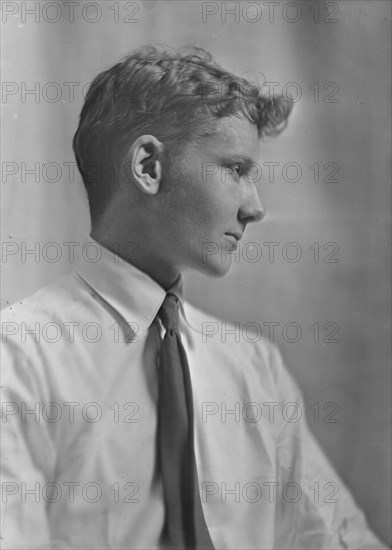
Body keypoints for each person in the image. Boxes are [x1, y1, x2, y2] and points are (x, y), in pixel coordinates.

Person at [1, 45, 388, 550]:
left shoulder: (252, 368)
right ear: (148, 166)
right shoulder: (19, 358)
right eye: (235, 169)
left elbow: (335, 539)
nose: (256, 208)